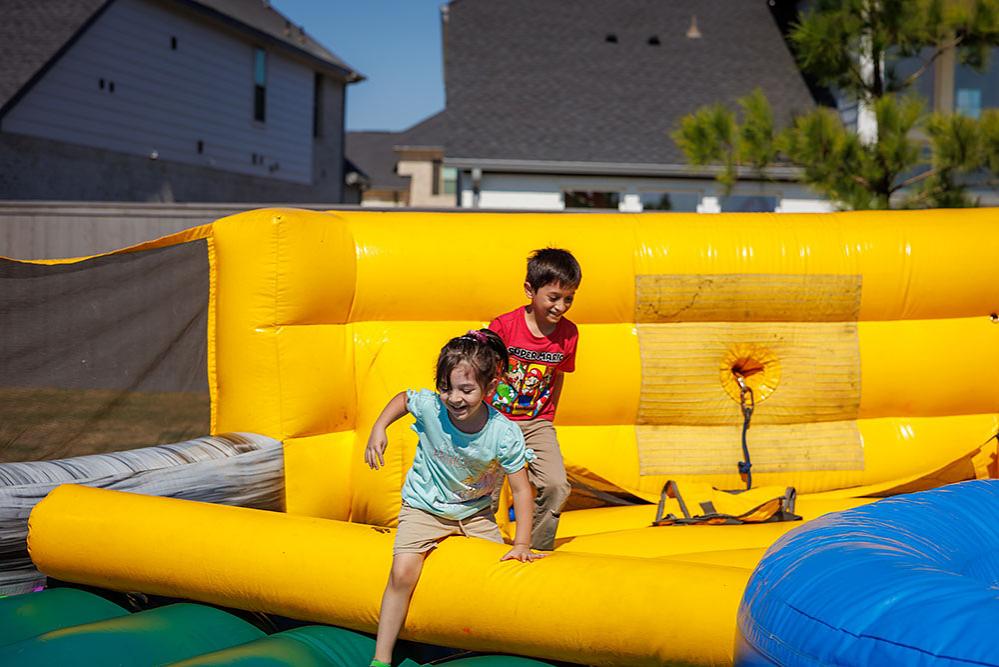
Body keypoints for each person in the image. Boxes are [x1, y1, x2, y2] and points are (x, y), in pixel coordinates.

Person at [364, 329, 543, 667]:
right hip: (424, 506)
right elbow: (404, 398)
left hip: (475, 512)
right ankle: (382, 657)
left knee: (496, 576)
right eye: (446, 388)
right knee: (402, 572)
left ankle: (493, 649)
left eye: (466, 389)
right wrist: (379, 428)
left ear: (490, 389)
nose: (454, 398)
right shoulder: (433, 408)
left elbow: (521, 489)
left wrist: (521, 543)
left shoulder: (502, 433)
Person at [489, 248, 581, 551]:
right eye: (553, 297)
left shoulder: (568, 334)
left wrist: (547, 415)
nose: (561, 306)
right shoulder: (504, 327)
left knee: (556, 485)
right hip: (495, 420)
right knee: (486, 491)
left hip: (535, 422)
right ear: (530, 290)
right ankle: (480, 545)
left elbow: (559, 375)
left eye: (568, 298)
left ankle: (538, 547)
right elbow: (483, 369)